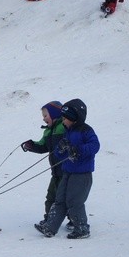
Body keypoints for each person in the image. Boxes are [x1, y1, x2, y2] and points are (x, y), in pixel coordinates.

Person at [39, 98, 100, 240]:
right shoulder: (68, 131)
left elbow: (94, 146)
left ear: (74, 118)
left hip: (82, 174)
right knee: (60, 199)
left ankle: (82, 228)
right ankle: (50, 227)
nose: (63, 120)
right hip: (67, 171)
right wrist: (60, 149)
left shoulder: (86, 130)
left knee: (74, 201)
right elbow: (60, 154)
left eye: (65, 118)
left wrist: (78, 150)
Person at [21, 101, 67, 230]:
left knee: (67, 197)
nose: (44, 118)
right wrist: (31, 145)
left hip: (67, 170)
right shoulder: (47, 132)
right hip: (55, 172)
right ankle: (49, 219)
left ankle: (73, 220)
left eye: (46, 115)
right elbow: (43, 146)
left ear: (55, 114)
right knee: (50, 196)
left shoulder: (64, 128)